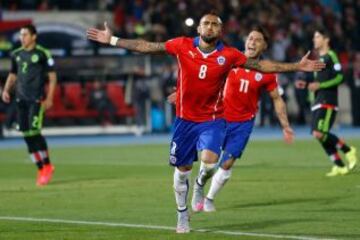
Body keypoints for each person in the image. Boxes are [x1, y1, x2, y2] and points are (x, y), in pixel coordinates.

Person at [87, 12, 324, 233]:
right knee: (182, 172)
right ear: (198, 28)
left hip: (212, 119)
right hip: (184, 121)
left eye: (215, 24)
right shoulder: (181, 45)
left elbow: (261, 66)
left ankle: (201, 185)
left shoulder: (229, 55)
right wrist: (113, 40)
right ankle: (182, 213)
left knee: (210, 164)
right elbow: (147, 46)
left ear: (220, 31)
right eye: (206, 23)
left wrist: (296, 66)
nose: (210, 27)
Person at [190, 26, 294, 213]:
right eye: (250, 38)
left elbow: (277, 99)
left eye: (257, 40)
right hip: (218, 118)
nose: (252, 42)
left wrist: (285, 126)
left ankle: (209, 199)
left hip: (243, 123)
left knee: (227, 163)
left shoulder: (267, 72)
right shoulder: (230, 58)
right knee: (209, 164)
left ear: (264, 47)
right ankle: (199, 184)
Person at [295, 29, 358, 177]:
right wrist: (306, 84)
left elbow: (340, 77)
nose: (314, 39)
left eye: (317, 36)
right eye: (314, 36)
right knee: (318, 134)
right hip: (317, 100)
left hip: (328, 100)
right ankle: (340, 166)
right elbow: (319, 82)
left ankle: (348, 150)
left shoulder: (331, 56)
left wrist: (320, 86)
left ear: (326, 39)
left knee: (319, 132)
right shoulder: (319, 60)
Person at [1, 24, 57, 186]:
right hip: (20, 100)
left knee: (34, 132)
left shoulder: (42, 54)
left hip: (36, 100)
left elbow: (52, 78)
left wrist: (50, 98)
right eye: (21, 35)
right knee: (26, 135)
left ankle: (47, 165)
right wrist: (6, 90)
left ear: (34, 36)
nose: (22, 38)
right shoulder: (16, 54)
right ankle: (41, 168)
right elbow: (13, 74)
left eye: (25, 35)